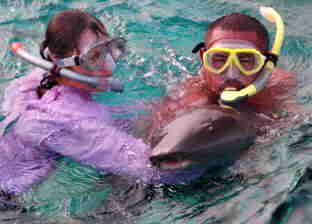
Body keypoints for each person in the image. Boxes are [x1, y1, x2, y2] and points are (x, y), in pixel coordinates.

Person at [0, 10, 208, 202]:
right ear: (57, 61)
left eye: (110, 49)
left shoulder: (32, 81)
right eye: (94, 57)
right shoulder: (66, 118)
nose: (109, 67)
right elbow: (152, 170)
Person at [151, 7, 300, 136]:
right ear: (203, 58)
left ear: (266, 63)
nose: (232, 74)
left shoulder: (277, 87)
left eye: (246, 61)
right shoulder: (190, 97)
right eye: (220, 59)